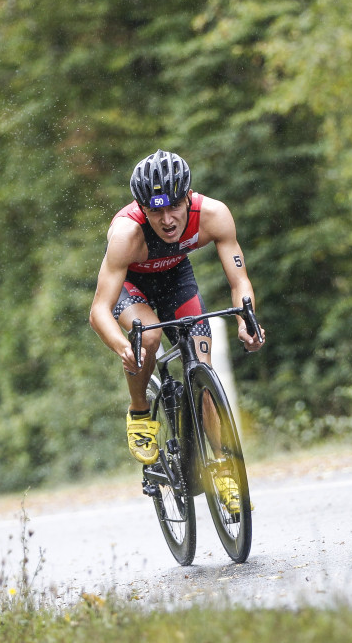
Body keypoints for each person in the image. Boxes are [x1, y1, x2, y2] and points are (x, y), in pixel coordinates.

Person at [89, 150, 265, 513]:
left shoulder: (213, 215)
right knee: (148, 337)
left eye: (174, 207)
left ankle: (223, 469)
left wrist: (246, 321)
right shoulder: (126, 234)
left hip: (176, 280)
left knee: (202, 368)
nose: (167, 220)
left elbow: (239, 281)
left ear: (188, 197)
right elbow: (98, 311)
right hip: (131, 286)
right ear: (142, 208)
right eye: (156, 211)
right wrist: (122, 346)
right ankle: (140, 413)